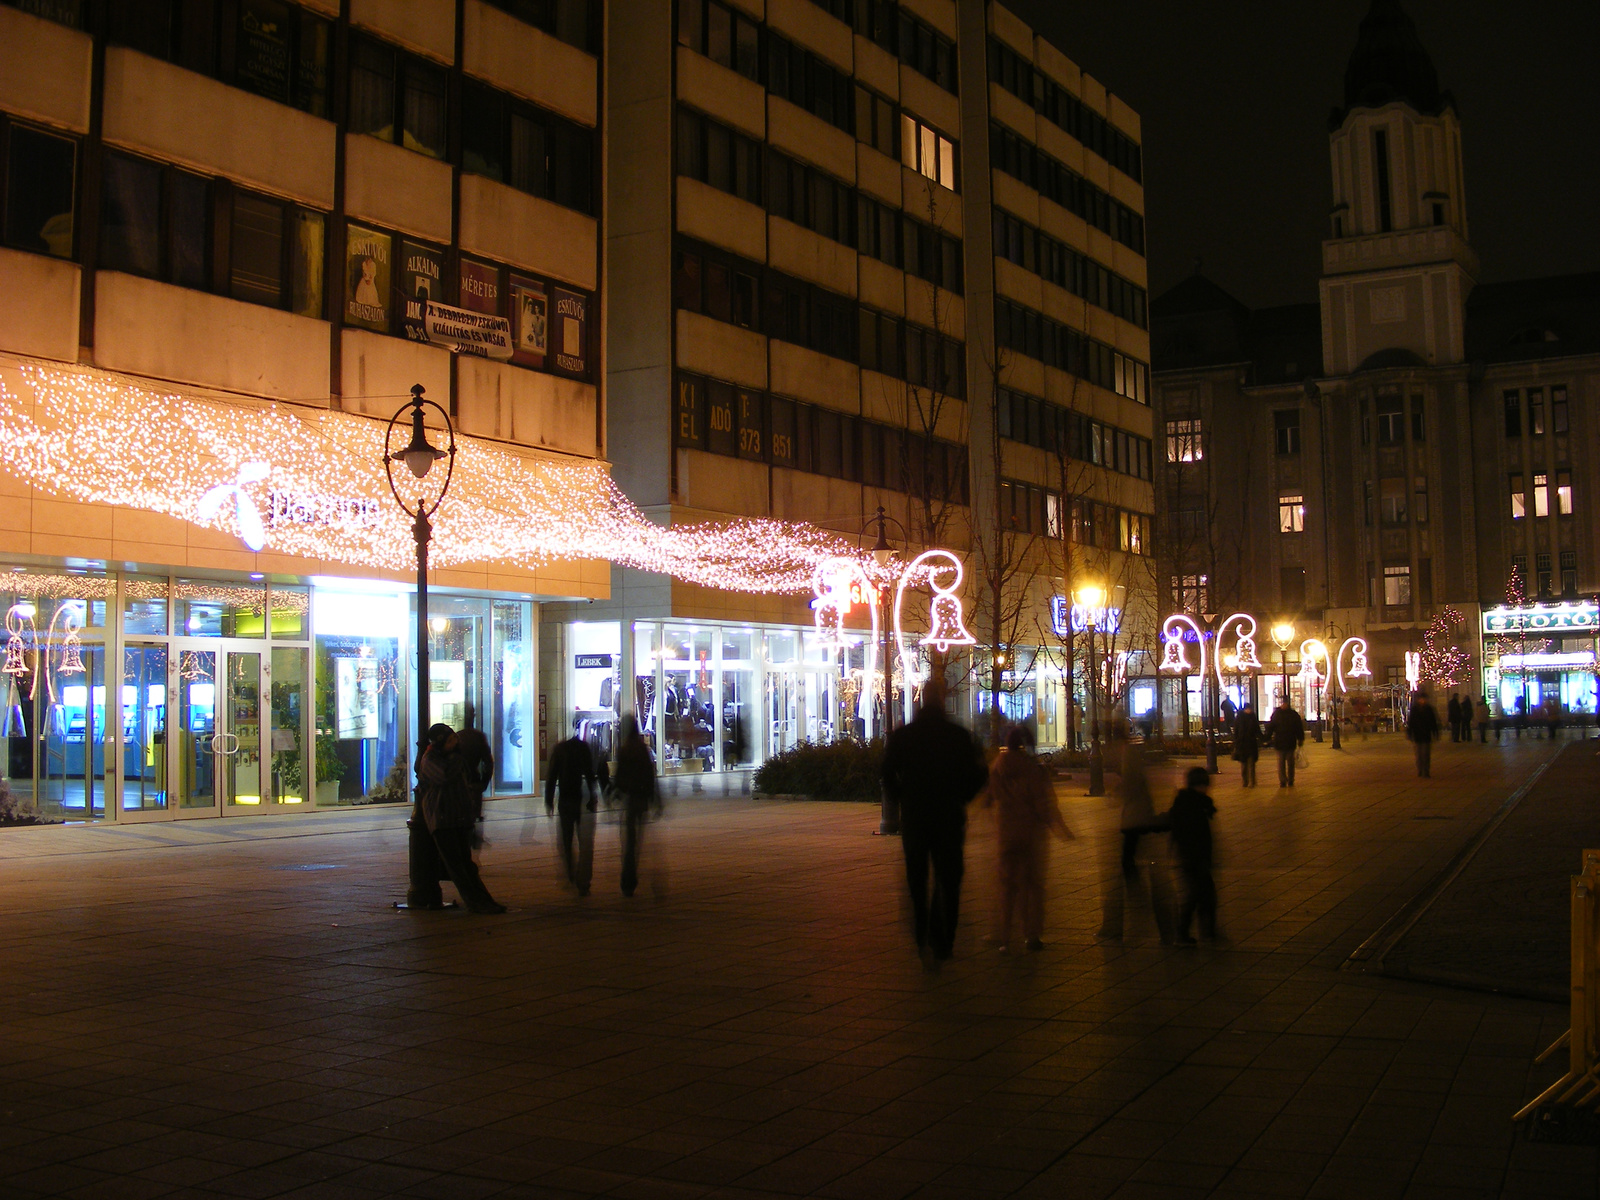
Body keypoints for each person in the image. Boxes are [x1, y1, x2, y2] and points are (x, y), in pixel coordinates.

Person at [881, 680, 989, 964]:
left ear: (921, 700)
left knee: (917, 879)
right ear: (942, 700)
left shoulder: (904, 736)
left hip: (916, 818)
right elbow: (979, 773)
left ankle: (921, 934)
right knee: (949, 879)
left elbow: (886, 773)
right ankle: (944, 940)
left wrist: (901, 798)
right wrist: (962, 797)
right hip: (949, 817)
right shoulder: (958, 736)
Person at [984, 726, 1073, 952]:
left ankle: (1004, 937)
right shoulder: (1032, 769)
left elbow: (988, 798)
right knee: (1032, 886)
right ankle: (1031, 935)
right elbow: (1044, 802)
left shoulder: (997, 767)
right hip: (1030, 833)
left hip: (1006, 833)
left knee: (1006, 886)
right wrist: (1059, 826)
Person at [409, 722, 505, 914]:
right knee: (457, 866)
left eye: (455, 738)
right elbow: (444, 777)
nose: (455, 743)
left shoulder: (454, 757)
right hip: (442, 819)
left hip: (459, 818)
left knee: (467, 865)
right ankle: (475, 903)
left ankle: (484, 900)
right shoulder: (431, 759)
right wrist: (456, 759)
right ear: (439, 742)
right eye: (450, 740)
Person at [1097, 737, 1171, 944]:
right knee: (1132, 864)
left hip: (1133, 825)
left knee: (1127, 864)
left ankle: (1138, 898)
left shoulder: (1131, 776)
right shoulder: (1137, 774)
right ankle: (1141, 899)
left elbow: (1122, 795)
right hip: (1140, 823)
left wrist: (1113, 795)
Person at [545, 718, 599, 895]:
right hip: (579, 797)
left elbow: (552, 776)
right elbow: (590, 774)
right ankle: (584, 880)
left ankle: (570, 872)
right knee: (584, 842)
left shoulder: (560, 749)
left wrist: (548, 800)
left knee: (566, 840)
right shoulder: (583, 748)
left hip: (565, 799)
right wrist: (593, 796)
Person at [1167, 766, 1218, 944]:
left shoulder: (1195, 802)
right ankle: (1187, 933)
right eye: (1203, 785)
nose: (1206, 789)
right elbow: (1186, 832)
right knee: (1198, 895)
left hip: (1195, 856)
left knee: (1202, 895)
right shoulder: (1191, 805)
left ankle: (1206, 931)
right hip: (1192, 857)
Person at [613, 713, 660, 897]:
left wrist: (616, 792)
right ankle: (631, 878)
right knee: (637, 840)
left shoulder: (624, 749)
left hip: (630, 798)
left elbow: (619, 776)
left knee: (629, 842)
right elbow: (650, 775)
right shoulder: (642, 749)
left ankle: (628, 880)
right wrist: (655, 798)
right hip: (642, 798)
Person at [1266, 696, 1305, 787]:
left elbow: (1298, 728)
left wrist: (1300, 739)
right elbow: (1272, 727)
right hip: (1282, 742)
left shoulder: (1283, 714)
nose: (1284, 704)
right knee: (1282, 763)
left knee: (1289, 762)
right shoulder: (1289, 714)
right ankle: (1283, 780)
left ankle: (1290, 779)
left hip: (1287, 742)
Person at [1406, 690, 1440, 777]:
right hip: (1417, 735)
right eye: (1421, 699)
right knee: (1419, 754)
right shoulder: (1414, 709)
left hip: (1426, 734)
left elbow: (1433, 722)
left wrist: (1435, 733)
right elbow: (1411, 722)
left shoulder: (1429, 709)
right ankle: (1420, 769)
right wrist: (1409, 733)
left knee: (1426, 754)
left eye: (1423, 699)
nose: (1422, 701)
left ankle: (1426, 770)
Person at [1232, 702, 1261, 787]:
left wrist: (1263, 738)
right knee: (1244, 765)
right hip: (1242, 744)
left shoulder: (1253, 717)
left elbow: (1257, 730)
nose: (1249, 710)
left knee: (1251, 764)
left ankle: (1252, 782)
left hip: (1251, 744)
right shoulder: (1240, 718)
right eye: (1248, 709)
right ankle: (1245, 781)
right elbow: (1236, 731)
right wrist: (1236, 742)